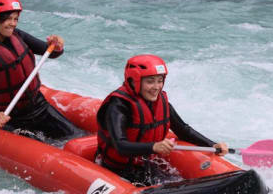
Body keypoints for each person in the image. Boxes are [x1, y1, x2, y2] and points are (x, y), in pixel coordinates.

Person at [96, 54, 229, 186]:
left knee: (177, 183)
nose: (156, 87)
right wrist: (153, 146)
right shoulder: (118, 106)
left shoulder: (162, 102)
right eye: (150, 81)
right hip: (116, 170)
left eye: (160, 81)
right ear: (134, 81)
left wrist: (212, 145)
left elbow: (183, 130)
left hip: (146, 166)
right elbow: (120, 146)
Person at [0, 0, 81, 140]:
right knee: (38, 143)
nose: (13, 23)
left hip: (38, 106)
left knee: (76, 136)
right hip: (10, 117)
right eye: (8, 19)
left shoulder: (18, 36)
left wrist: (57, 46)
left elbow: (51, 53)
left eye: (15, 19)